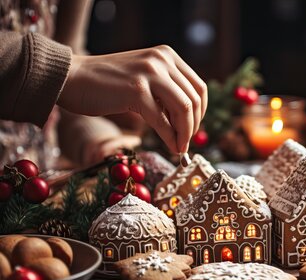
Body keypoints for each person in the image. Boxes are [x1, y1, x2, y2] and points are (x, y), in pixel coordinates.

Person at [0, 0, 207, 166]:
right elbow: (67, 72)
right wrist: (73, 70)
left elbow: (62, 89)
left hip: (34, 195)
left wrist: (98, 142)